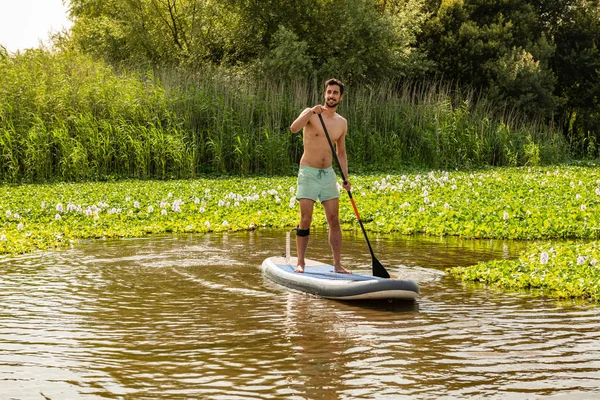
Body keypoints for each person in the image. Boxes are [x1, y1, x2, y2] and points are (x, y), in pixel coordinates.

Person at [289, 78, 352, 274]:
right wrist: (309, 112)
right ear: (324, 94)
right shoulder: (311, 114)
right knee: (306, 218)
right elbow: (293, 129)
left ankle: (337, 265)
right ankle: (300, 262)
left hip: (328, 175)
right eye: (329, 92)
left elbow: (341, 153)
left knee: (334, 219)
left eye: (335, 93)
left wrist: (345, 178)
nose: (331, 96)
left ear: (340, 97)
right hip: (308, 172)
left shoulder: (341, 123)